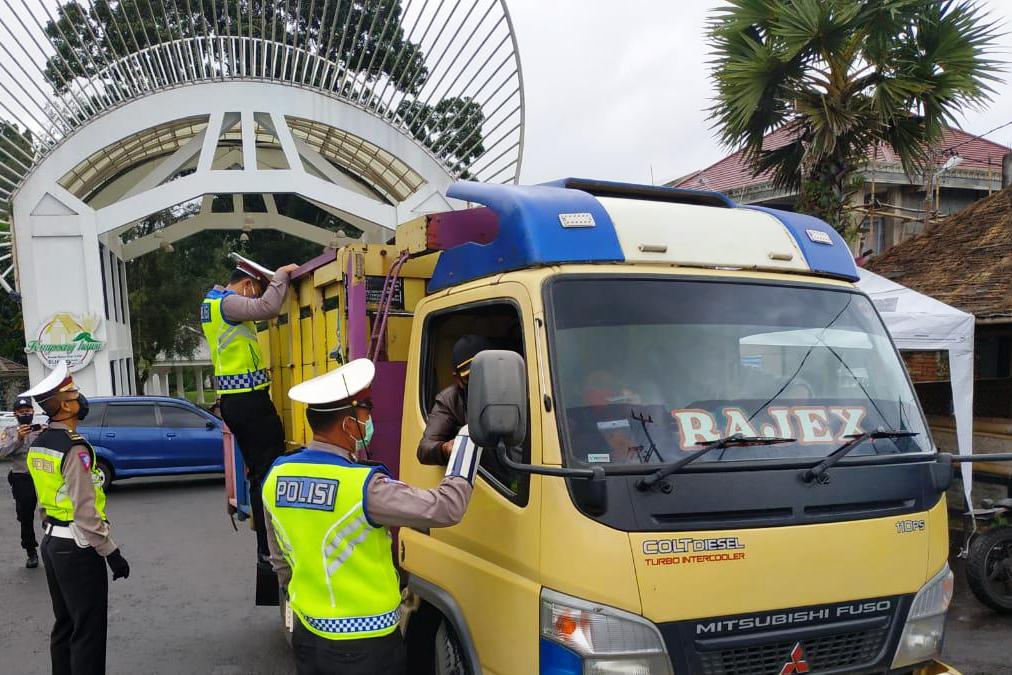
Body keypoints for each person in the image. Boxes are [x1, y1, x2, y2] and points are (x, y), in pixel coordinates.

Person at [262, 358, 480, 674]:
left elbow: (280, 560)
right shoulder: (364, 487)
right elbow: (447, 507)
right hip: (365, 648)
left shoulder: (277, 475)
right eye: (366, 408)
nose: (371, 416)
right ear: (348, 424)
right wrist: (466, 446)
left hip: (308, 637)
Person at [21, 361, 129, 675]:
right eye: (75, 393)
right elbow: (85, 510)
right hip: (78, 548)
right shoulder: (74, 449)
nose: (81, 399)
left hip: (52, 543)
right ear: (66, 406)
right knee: (89, 632)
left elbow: (45, 499)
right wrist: (112, 553)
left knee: (65, 625)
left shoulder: (39, 444)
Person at [201, 255, 300, 570]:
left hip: (237, 400)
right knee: (268, 471)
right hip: (247, 400)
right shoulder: (228, 303)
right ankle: (269, 549)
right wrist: (280, 275)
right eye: (256, 290)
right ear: (246, 284)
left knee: (261, 470)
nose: (257, 297)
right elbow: (266, 309)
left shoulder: (212, 303)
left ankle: (266, 547)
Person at [417, 334, 491, 465]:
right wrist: (445, 448)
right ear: (458, 379)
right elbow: (424, 449)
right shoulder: (450, 400)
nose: (480, 382)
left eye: (485, 373)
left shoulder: (514, 388)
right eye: (471, 377)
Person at [0, 395, 43, 568]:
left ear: (33, 412)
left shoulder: (40, 429)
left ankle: (54, 547)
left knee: (51, 513)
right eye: (21, 412)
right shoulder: (9, 432)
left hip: (42, 477)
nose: (25, 414)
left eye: (28, 411)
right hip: (21, 477)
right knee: (25, 517)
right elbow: (2, 452)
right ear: (15, 414)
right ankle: (30, 552)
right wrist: (18, 439)